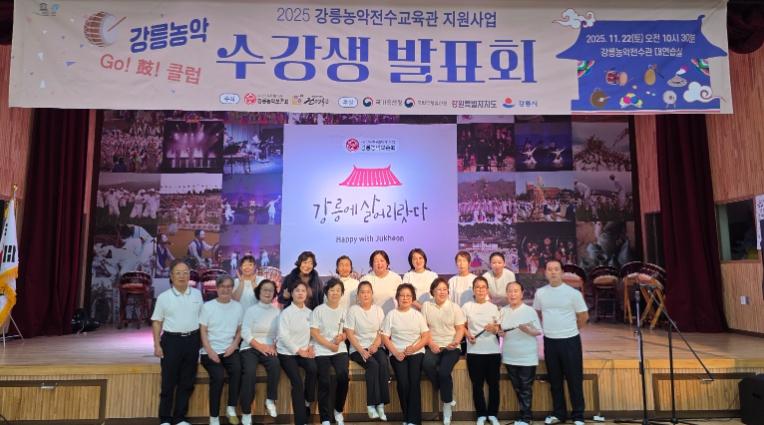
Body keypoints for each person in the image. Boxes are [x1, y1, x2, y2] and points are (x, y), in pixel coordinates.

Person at [533, 259, 589, 425]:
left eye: (556, 269)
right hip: (550, 341)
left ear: (562, 272)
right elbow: (538, 313)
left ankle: (578, 415)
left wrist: (571, 330)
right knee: (555, 380)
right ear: (545, 273)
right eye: (550, 269)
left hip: (570, 341)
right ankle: (559, 414)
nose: (553, 272)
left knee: (574, 380)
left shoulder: (573, 293)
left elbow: (583, 316)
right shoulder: (540, 293)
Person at [151, 259, 203, 425]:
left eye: (185, 273)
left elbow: (202, 319)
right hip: (171, 342)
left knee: (187, 382)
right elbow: (157, 322)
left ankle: (180, 418)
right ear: (171, 276)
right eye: (178, 273)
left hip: (192, 341)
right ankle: (165, 419)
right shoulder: (164, 297)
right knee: (168, 383)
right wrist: (157, 345)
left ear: (190, 275)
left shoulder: (197, 294)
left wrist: (202, 341)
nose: (182, 276)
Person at [381, 283, 430, 425]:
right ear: (397, 297)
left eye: (408, 295)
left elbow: (426, 336)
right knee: (403, 383)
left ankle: (414, 421)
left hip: (416, 352)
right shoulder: (391, 315)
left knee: (414, 382)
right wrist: (395, 352)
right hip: (397, 353)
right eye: (402, 295)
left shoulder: (417, 315)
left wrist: (414, 348)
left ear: (412, 298)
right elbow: (385, 337)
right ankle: (406, 418)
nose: (405, 298)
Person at [199, 275, 244, 425]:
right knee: (218, 377)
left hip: (230, 349)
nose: (225, 289)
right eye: (222, 286)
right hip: (210, 350)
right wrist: (209, 350)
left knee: (237, 370)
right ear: (217, 288)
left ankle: (231, 408)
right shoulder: (208, 307)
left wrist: (234, 345)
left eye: (229, 286)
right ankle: (214, 417)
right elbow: (202, 330)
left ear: (232, 288)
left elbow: (240, 330)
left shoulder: (237, 307)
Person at [421, 277, 466, 425]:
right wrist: (431, 344)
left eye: (444, 289)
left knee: (444, 372)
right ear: (432, 291)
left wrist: (455, 342)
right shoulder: (426, 306)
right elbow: (424, 329)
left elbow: (460, 328)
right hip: (433, 344)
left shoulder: (454, 307)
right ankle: (447, 392)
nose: (442, 292)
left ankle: (447, 408)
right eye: (439, 289)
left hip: (451, 347)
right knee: (426, 364)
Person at [498, 282, 542, 425]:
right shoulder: (503, 311)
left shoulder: (529, 311)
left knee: (525, 388)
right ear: (506, 294)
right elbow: (500, 330)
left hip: (526, 355)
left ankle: (526, 418)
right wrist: (500, 333)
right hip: (510, 354)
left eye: (516, 291)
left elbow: (538, 331)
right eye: (510, 291)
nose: (513, 294)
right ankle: (525, 416)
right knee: (518, 387)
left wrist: (527, 331)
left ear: (522, 294)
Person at [345, 281, 390, 420]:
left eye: (368, 292)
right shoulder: (353, 310)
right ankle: (371, 405)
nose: (365, 295)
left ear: (372, 294)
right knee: (373, 365)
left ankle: (381, 405)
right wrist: (361, 350)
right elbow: (349, 334)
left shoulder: (378, 310)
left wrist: (376, 345)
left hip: (375, 346)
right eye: (362, 292)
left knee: (383, 362)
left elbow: (382, 332)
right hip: (357, 348)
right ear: (358, 295)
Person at [240, 279, 281, 425]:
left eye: (271, 290)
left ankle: (270, 400)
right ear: (259, 292)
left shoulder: (277, 312)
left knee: (275, 364)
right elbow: (245, 332)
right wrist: (259, 346)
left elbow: (280, 333)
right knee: (249, 372)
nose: (267, 292)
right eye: (265, 289)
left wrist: (274, 345)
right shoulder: (251, 310)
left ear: (274, 293)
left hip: (269, 346)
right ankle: (246, 412)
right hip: (250, 346)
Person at [462, 276, 502, 425]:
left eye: (483, 287)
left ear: (487, 290)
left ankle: (492, 414)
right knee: (477, 385)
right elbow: (461, 327)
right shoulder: (467, 306)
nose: (480, 290)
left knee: (494, 384)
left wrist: (494, 328)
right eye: (477, 287)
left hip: (492, 350)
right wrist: (468, 336)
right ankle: (481, 415)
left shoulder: (493, 307)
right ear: (473, 289)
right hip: (474, 351)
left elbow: (499, 328)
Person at [277, 281, 318, 425]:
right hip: (287, 353)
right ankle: (301, 421)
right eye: (297, 290)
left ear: (306, 294)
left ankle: (307, 400)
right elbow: (283, 336)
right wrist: (298, 351)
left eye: (303, 290)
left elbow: (314, 334)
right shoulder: (286, 313)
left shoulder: (310, 313)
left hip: (304, 351)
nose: (300, 293)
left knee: (313, 368)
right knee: (297, 383)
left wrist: (311, 346)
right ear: (291, 293)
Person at [310, 278, 350, 425]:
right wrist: (328, 345)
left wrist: (342, 337)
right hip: (321, 349)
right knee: (324, 382)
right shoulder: (318, 310)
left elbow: (347, 332)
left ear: (342, 293)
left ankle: (338, 410)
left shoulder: (344, 311)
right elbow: (314, 332)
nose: (335, 293)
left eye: (338, 290)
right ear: (326, 292)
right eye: (332, 290)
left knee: (343, 377)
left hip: (339, 349)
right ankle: (325, 418)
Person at [361, 250, 402, 315]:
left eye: (382, 260)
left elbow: (402, 298)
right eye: (376, 261)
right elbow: (361, 300)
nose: (379, 263)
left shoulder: (396, 278)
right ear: (372, 264)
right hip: (372, 316)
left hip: (392, 316)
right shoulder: (366, 279)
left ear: (387, 262)